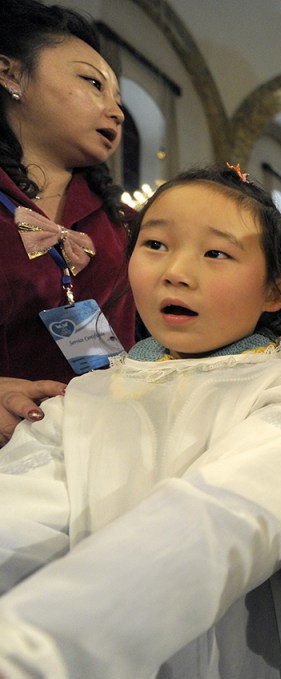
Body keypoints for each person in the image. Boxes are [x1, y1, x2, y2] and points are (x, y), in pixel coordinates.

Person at [0, 165, 281, 679]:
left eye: (216, 254)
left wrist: (41, 643)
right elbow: (20, 510)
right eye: (156, 244)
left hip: (238, 677)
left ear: (274, 291)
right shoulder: (89, 395)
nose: (177, 272)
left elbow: (230, 511)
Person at [0, 0, 136, 442]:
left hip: (84, 442)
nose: (116, 111)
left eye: (117, 99)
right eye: (93, 83)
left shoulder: (121, 225)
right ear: (10, 74)